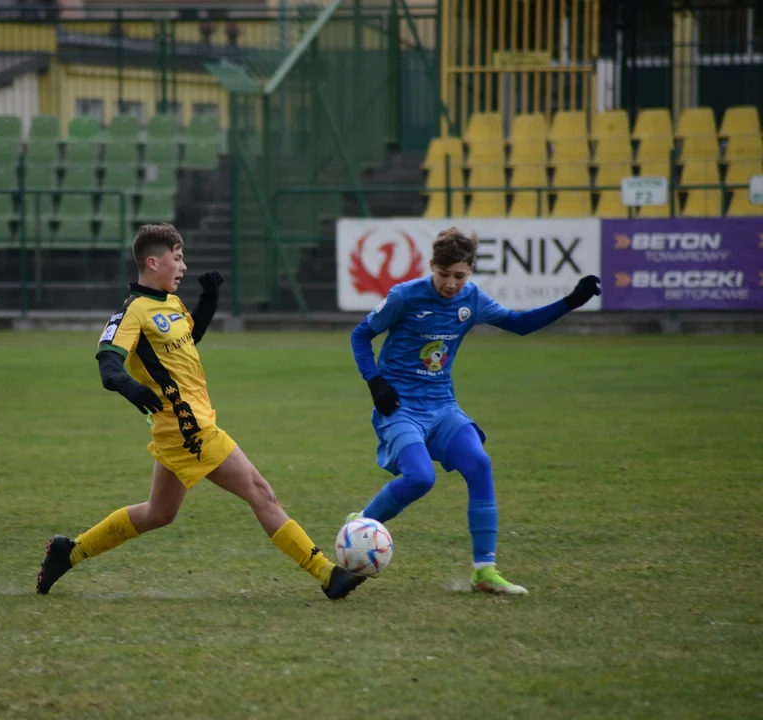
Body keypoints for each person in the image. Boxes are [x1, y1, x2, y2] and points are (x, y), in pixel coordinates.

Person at [37, 223, 366, 600]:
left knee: (159, 513)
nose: (184, 267)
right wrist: (133, 388)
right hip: (188, 429)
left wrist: (208, 300)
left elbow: (187, 340)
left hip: (183, 426)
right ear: (152, 261)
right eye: (177, 259)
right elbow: (108, 364)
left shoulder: (170, 303)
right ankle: (327, 574)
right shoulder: (133, 312)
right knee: (261, 493)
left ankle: (70, 551)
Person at [348, 226, 601, 595]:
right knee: (420, 478)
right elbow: (360, 335)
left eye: (459, 276)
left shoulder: (473, 300)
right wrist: (376, 382)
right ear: (431, 266)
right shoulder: (405, 297)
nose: (451, 284)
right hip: (400, 407)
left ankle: (484, 571)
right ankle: (361, 526)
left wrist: (570, 301)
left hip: (443, 406)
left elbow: (520, 324)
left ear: (469, 271)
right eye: (444, 274)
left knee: (480, 464)